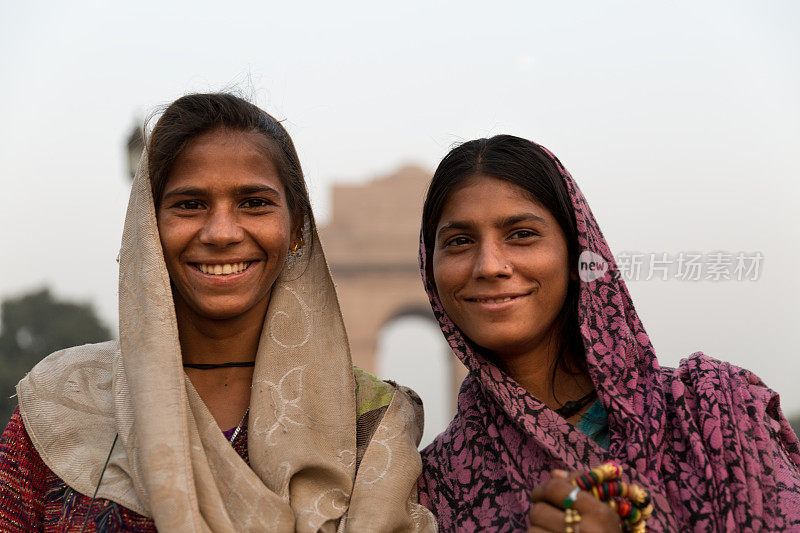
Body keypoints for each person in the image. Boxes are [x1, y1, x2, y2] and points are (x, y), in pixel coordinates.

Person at [0, 93, 436, 532]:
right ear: (148, 226)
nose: (222, 233)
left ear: (298, 228)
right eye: (189, 204)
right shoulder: (64, 403)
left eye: (254, 203)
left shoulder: (374, 424)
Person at [415, 135, 800, 532]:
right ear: (431, 270)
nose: (489, 265)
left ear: (575, 253)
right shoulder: (430, 492)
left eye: (522, 234)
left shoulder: (716, 412)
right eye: (459, 241)